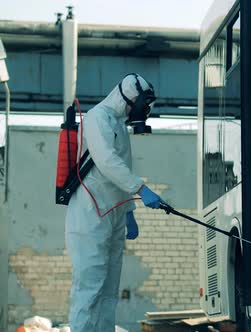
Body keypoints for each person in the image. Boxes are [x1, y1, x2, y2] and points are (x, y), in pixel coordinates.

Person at [65, 74, 162, 332]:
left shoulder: (118, 123)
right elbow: (107, 161)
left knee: (108, 291)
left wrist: (129, 211)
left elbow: (124, 167)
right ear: (128, 99)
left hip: (114, 213)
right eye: (140, 107)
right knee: (89, 288)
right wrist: (141, 188)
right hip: (90, 214)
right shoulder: (97, 118)